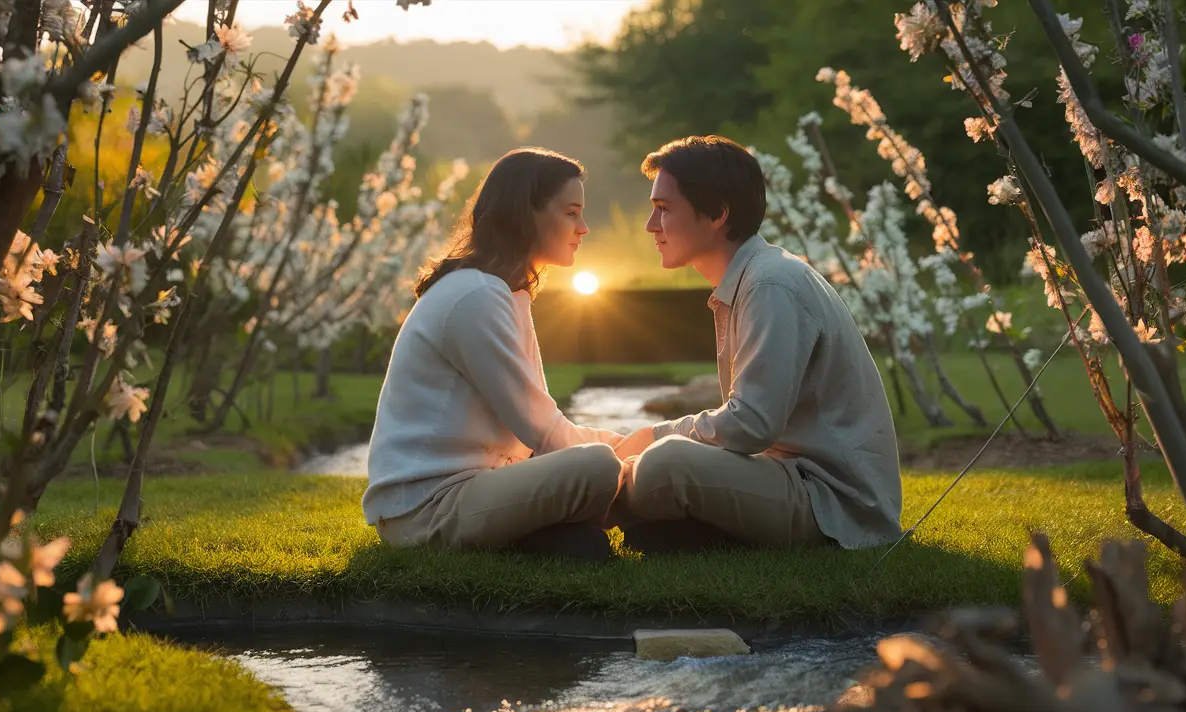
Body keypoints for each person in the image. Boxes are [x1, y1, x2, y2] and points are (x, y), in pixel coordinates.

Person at [612, 135, 903, 552]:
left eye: (663, 209)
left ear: (717, 215)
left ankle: (580, 511)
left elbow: (751, 425)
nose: (650, 225)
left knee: (667, 462)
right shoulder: (751, 279)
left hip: (834, 504)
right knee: (645, 457)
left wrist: (656, 434)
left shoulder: (770, 284)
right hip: (788, 478)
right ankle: (631, 516)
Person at [362, 147, 625, 561]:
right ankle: (660, 516)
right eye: (571, 213)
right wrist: (632, 456)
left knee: (600, 472)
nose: (584, 228)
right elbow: (542, 431)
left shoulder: (503, 293)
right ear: (528, 214)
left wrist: (638, 445)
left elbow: (543, 428)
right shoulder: (476, 295)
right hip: (425, 508)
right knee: (599, 468)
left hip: (474, 489)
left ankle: (556, 536)